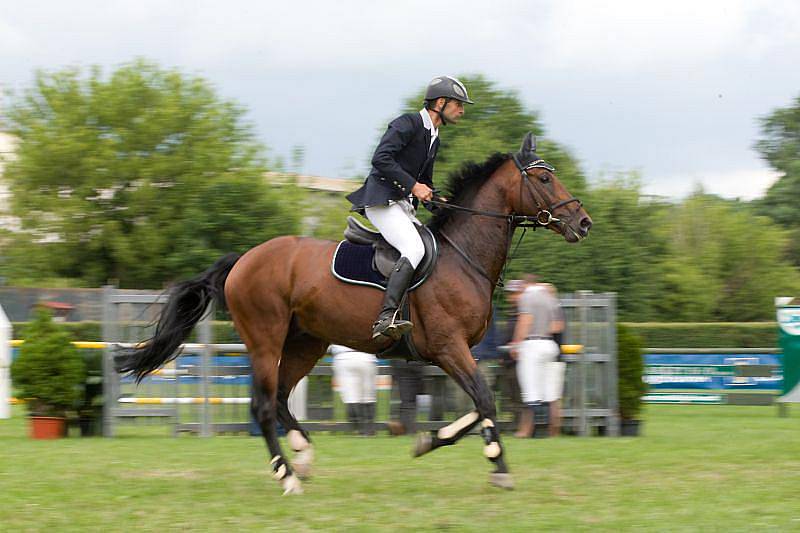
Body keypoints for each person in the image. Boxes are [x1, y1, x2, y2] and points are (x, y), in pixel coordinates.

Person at [346, 76, 473, 340]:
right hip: (382, 201)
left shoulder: (433, 137)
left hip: (403, 206)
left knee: (432, 249)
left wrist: (440, 203)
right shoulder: (408, 123)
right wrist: (414, 186)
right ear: (441, 102)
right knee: (414, 248)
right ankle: (386, 316)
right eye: (458, 104)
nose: (462, 110)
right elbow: (380, 159)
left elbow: (425, 183)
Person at [510, 279, 561, 438]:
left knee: (530, 392)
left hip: (532, 346)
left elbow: (525, 321)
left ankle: (531, 431)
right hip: (549, 344)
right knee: (549, 393)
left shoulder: (527, 297)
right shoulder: (549, 298)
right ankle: (550, 431)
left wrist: (516, 343)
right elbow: (557, 326)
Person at [330, 344, 378, 436]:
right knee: (368, 395)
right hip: (366, 356)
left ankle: (358, 427)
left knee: (351, 396)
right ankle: (368, 429)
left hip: (343, 357)